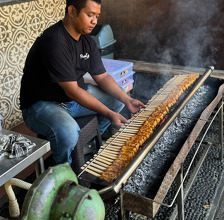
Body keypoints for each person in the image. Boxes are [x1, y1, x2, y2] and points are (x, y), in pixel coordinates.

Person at [19, 0, 145, 165]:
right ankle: (64, 170)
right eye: (90, 15)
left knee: (117, 100)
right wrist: (109, 114)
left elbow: (103, 77)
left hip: (71, 102)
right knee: (69, 132)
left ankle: (87, 146)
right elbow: (73, 91)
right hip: (41, 104)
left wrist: (127, 100)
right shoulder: (55, 41)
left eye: (97, 16)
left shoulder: (87, 42)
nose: (95, 21)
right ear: (72, 11)